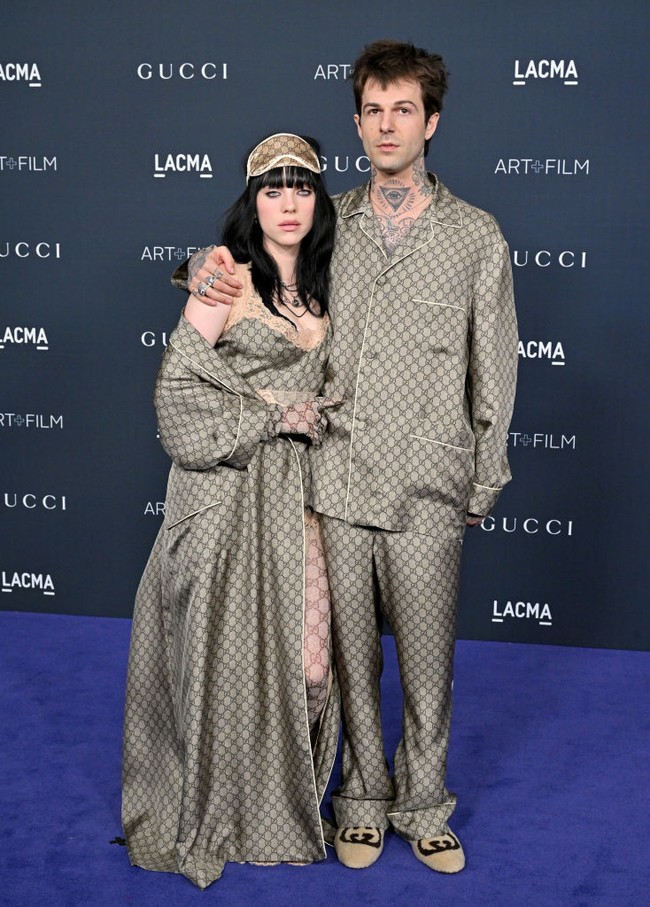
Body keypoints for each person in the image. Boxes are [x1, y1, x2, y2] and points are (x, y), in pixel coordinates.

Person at [175, 39, 518, 875]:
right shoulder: (332, 222)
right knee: (353, 661)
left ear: (431, 122)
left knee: (429, 658)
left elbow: (496, 364)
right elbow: (260, 265)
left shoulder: (476, 236)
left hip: (432, 482)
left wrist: (486, 472)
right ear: (358, 124)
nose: (388, 125)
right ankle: (361, 796)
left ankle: (424, 801)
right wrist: (205, 271)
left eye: (405, 109)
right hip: (336, 475)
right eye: (373, 110)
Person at [122, 133, 342, 889]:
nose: (289, 204)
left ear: (319, 200)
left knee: (311, 670)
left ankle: (282, 796)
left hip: (303, 501)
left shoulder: (332, 284)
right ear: (252, 201)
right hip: (224, 496)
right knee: (220, 663)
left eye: (303, 188)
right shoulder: (224, 278)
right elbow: (176, 398)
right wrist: (274, 414)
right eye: (273, 190)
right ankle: (226, 809)